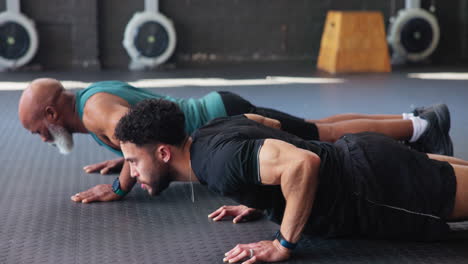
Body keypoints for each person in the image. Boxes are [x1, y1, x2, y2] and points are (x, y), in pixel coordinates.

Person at [114, 99, 468, 264]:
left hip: (374, 187)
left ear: (162, 153)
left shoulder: (216, 163)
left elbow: (302, 163)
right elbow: (265, 124)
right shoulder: (207, 135)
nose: (131, 171)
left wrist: (283, 244)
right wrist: (258, 193)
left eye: (132, 161)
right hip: (366, 158)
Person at [17, 78, 452, 204]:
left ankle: (420, 125)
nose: (39, 137)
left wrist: (120, 185)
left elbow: (142, 135)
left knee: (325, 136)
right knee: (320, 129)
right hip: (219, 111)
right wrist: (124, 161)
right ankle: (413, 124)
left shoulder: (94, 113)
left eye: (36, 128)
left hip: (220, 119)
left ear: (52, 115)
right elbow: (136, 140)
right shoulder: (92, 95)